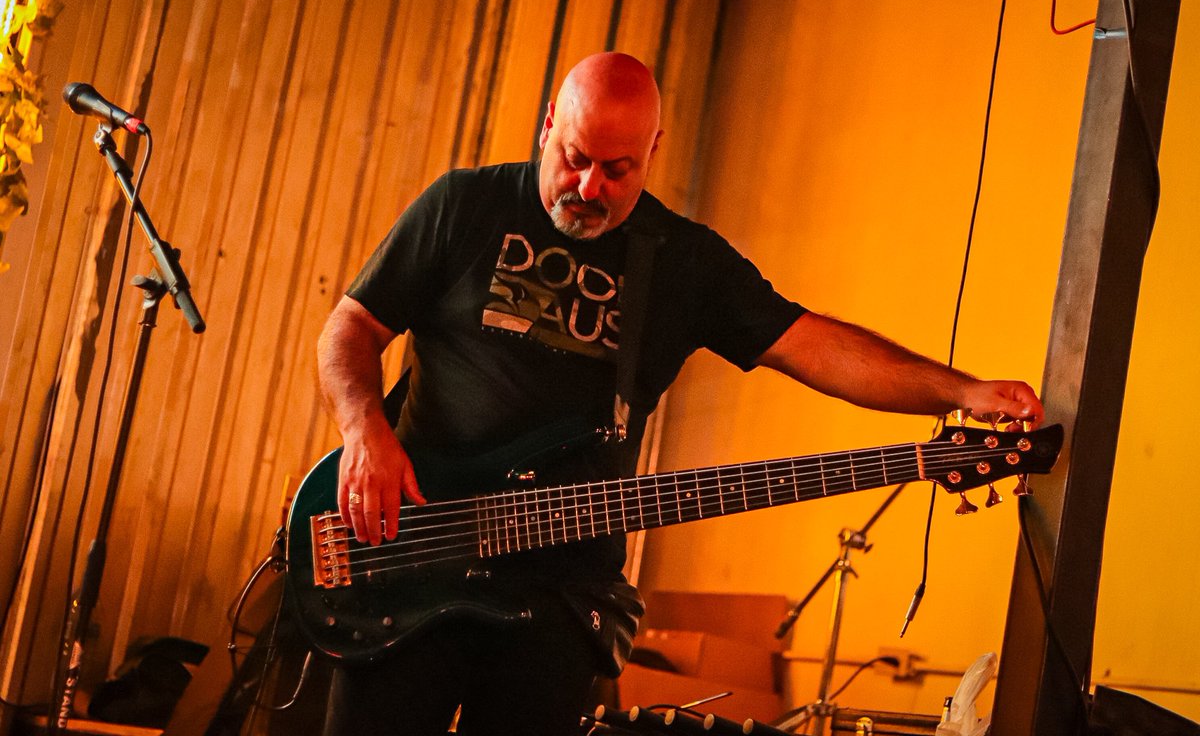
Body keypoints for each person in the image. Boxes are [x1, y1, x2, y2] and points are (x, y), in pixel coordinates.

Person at [315, 52, 1043, 735]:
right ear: (547, 127)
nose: (589, 187)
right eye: (573, 158)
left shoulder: (682, 263)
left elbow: (813, 344)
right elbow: (350, 328)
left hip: (560, 596)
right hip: (411, 557)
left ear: (653, 152)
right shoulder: (464, 206)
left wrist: (961, 389)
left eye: (618, 169)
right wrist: (364, 431)